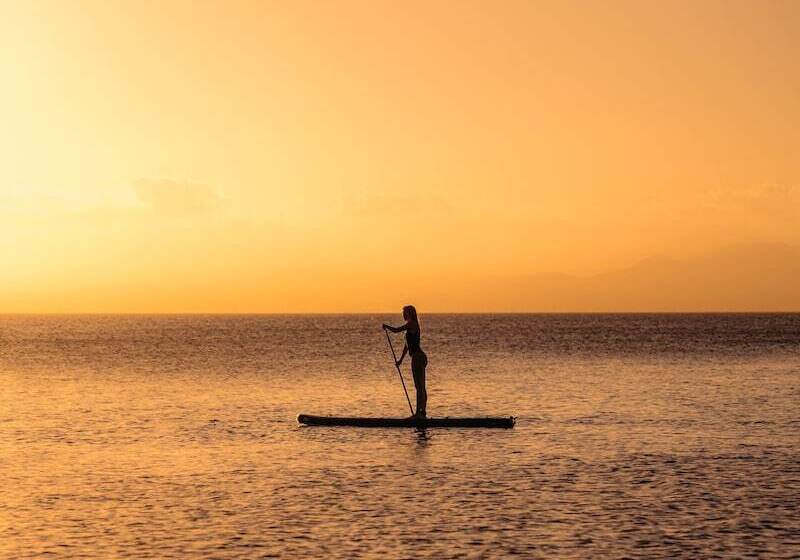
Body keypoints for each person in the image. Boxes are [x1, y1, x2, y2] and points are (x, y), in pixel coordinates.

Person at [383, 305, 428, 418]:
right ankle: (422, 412)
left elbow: (397, 330)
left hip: (417, 358)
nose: (403, 314)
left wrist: (387, 327)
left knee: (419, 386)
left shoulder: (412, 324)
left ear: (410, 314)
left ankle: (419, 413)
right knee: (421, 386)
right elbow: (407, 346)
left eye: (405, 312)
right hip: (418, 357)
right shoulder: (411, 326)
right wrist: (400, 360)